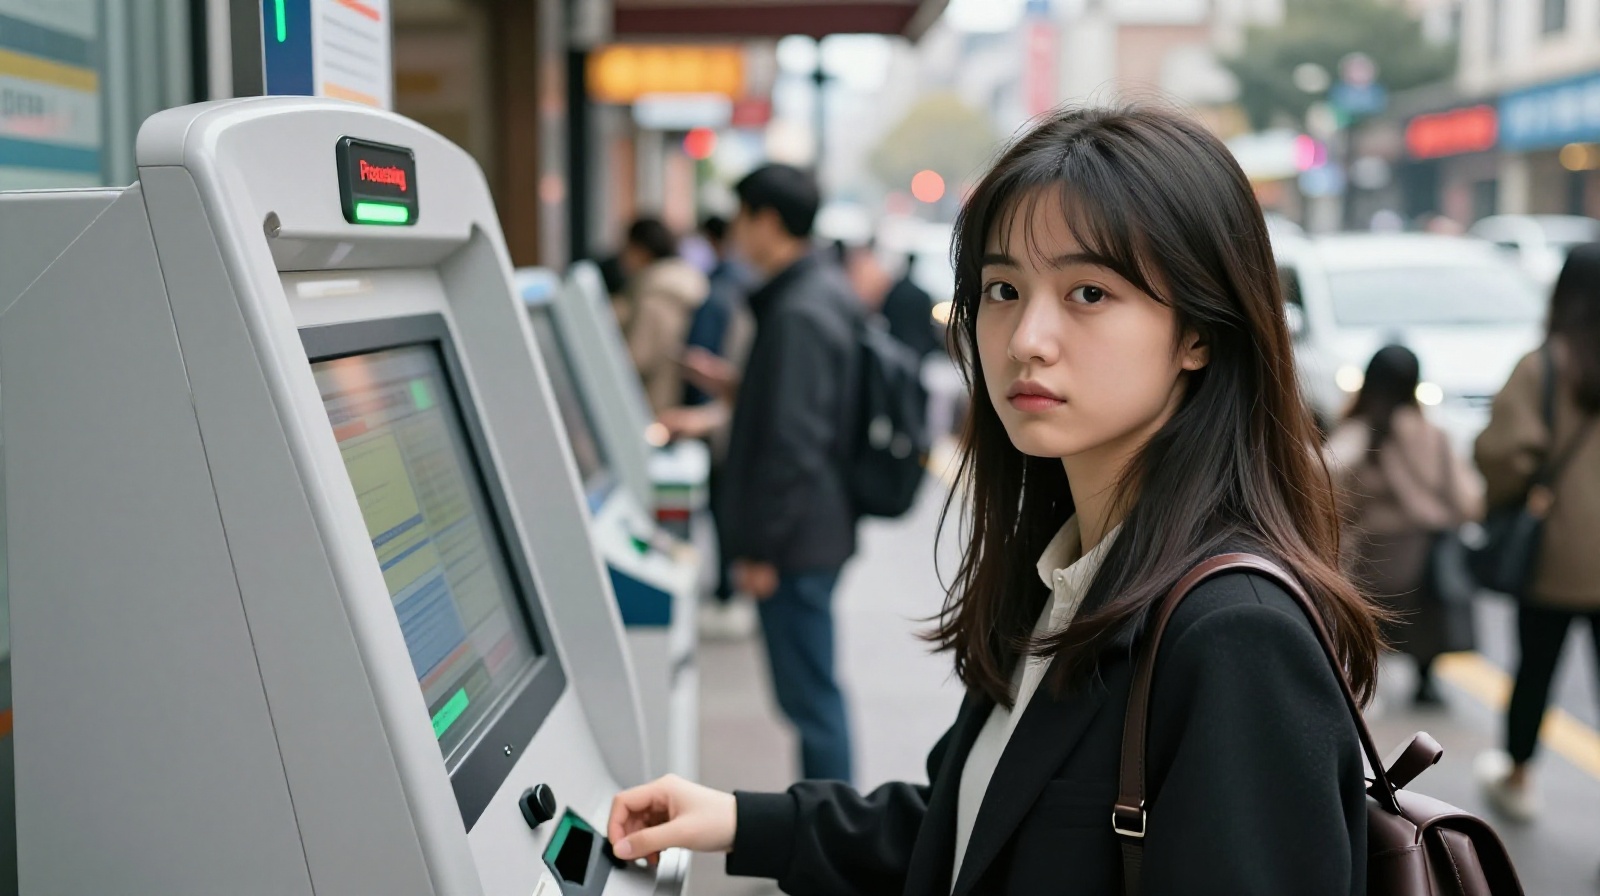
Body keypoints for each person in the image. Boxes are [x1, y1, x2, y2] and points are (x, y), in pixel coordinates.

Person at [607, 106, 1379, 895]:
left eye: (1087, 292)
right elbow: (970, 828)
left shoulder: (1236, 636)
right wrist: (739, 820)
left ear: (1199, 332)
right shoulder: (1069, 571)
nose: (1025, 339)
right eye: (1004, 288)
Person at [709, 163, 864, 784]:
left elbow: (793, 445)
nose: (737, 233)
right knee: (812, 694)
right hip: (819, 527)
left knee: (811, 701)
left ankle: (830, 844)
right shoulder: (824, 291)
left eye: (743, 217)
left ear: (766, 221)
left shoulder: (797, 309)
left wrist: (759, 549)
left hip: (797, 541)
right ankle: (828, 831)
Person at [1474, 242, 1600, 824]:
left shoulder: (1544, 366)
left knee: (1535, 670)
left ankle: (1520, 775)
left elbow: (1505, 456)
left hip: (1554, 557)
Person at [1324, 345, 1482, 706]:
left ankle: (1361, 672)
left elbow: (1326, 479)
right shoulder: (1431, 436)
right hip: (1421, 557)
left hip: (1370, 558)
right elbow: (1467, 500)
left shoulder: (1359, 432)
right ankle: (1426, 679)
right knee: (1427, 609)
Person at [616, 217, 708, 415]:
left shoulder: (655, 295)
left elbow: (638, 357)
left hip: (657, 402)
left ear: (640, 250)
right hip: (678, 396)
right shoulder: (682, 283)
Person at [881, 253, 942, 358]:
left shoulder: (895, 292)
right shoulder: (923, 295)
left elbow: (886, 313)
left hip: (897, 343)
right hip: (918, 346)